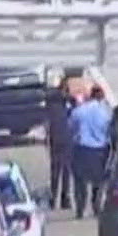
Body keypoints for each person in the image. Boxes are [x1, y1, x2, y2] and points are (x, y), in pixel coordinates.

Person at [67, 85, 115, 217]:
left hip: (81, 149)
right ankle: (96, 206)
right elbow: (109, 131)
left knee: (80, 181)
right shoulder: (105, 113)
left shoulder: (79, 111)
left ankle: (80, 208)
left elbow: (70, 127)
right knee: (98, 181)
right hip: (99, 150)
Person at [44, 76, 77, 213]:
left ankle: (54, 198)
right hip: (64, 138)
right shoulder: (65, 103)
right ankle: (64, 198)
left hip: (56, 138)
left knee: (56, 171)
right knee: (65, 171)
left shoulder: (53, 104)